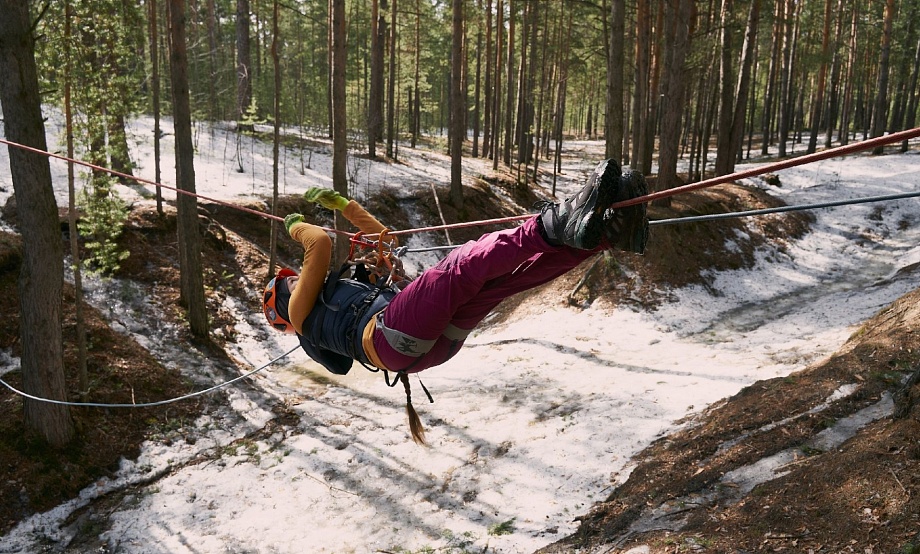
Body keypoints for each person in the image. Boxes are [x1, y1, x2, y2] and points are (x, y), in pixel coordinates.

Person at [262, 159, 649, 443]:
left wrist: (343, 206)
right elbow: (319, 242)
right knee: (463, 264)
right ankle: (558, 223)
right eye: (289, 281)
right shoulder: (299, 315)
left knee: (499, 282)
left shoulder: (328, 306)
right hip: (391, 336)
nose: (295, 277)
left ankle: (604, 235)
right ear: (282, 300)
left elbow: (384, 240)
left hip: (419, 346)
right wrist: (294, 225)